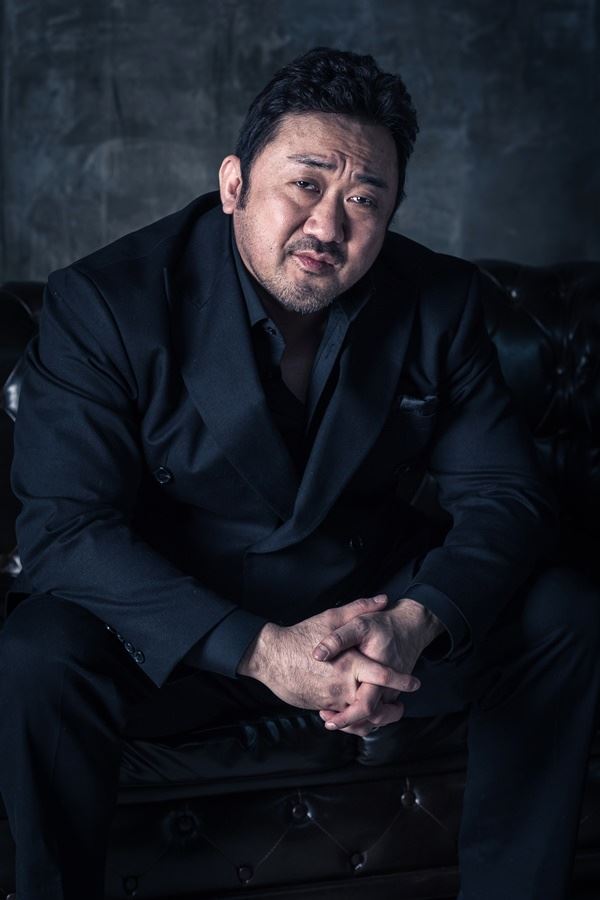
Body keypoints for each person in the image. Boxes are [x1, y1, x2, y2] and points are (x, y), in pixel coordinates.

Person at [1, 46, 598, 900]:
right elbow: (65, 530)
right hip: (182, 635)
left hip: (364, 622)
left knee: (563, 611)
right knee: (38, 651)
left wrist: (414, 623)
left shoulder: (440, 300)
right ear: (234, 184)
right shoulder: (106, 301)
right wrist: (259, 650)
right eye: (306, 184)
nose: (329, 226)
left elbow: (505, 495)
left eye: (364, 199)